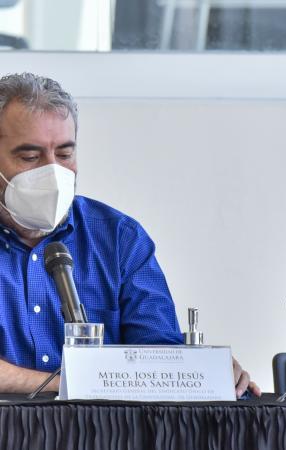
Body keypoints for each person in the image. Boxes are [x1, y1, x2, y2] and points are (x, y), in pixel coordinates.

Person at [0, 72, 260, 397]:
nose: (53, 171)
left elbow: (158, 356)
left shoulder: (119, 239)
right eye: (30, 157)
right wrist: (69, 386)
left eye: (65, 154)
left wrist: (199, 371)